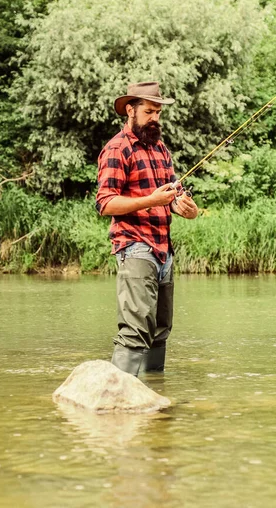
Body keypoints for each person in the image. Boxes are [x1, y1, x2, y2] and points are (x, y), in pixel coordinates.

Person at [96, 81, 198, 376]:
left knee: (161, 328)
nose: (155, 118)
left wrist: (184, 208)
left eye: (158, 112)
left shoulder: (160, 149)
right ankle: (117, 398)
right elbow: (105, 203)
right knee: (135, 329)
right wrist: (151, 200)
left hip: (164, 249)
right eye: (149, 111)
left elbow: (173, 199)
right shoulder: (117, 149)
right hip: (135, 246)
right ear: (131, 110)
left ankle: (152, 397)